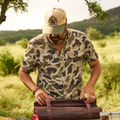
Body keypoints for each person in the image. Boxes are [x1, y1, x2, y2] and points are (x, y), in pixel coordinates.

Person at [19, 7, 101, 106]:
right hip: (47, 104)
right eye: (50, 30)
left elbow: (95, 65)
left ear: (65, 24)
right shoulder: (36, 44)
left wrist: (90, 85)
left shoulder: (81, 39)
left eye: (57, 30)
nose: (53, 34)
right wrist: (36, 90)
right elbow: (23, 72)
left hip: (76, 102)